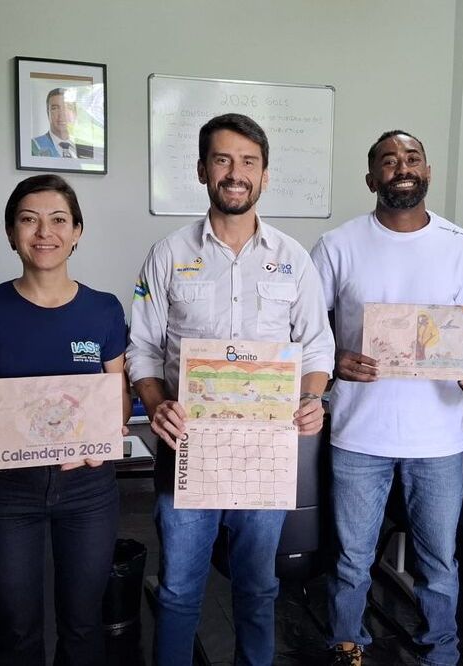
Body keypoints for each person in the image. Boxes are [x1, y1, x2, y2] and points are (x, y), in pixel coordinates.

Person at [126, 112, 335, 665]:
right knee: (178, 591)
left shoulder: (293, 259)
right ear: (202, 170)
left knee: (259, 590)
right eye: (222, 160)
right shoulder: (168, 255)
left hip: (264, 457)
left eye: (248, 162)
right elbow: (142, 348)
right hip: (186, 452)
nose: (235, 173)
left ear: (264, 175)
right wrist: (156, 405)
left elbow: (317, 345)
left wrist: (311, 397)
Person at [310, 130, 463, 666]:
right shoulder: (337, 245)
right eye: (389, 160)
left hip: (438, 436)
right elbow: (308, 326)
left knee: (439, 561)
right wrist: (334, 361)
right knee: (352, 558)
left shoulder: (460, 245)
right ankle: (347, 643)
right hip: (358, 433)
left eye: (412, 158)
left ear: (428, 171)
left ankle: (440, 651)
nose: (402, 167)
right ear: (371, 177)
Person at [0, 174, 131, 664]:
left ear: (77, 232)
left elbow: (118, 394)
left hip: (89, 491)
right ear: (11, 233)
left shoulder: (103, 309)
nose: (44, 232)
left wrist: (108, 430)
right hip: (10, 490)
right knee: (16, 629)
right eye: (28, 220)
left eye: (58, 220)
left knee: (83, 625)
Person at [31, 87, 95, 159]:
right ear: (48, 113)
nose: (62, 114)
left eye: (68, 107)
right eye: (55, 108)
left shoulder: (90, 149)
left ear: (75, 113)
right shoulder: (33, 147)